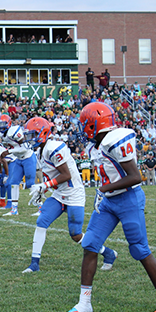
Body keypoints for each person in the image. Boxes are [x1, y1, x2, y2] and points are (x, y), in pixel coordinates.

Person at [63, 102, 156, 312]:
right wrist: (104, 192)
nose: (82, 129)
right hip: (108, 202)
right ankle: (84, 304)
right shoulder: (94, 145)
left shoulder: (115, 140)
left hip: (128, 199)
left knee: (139, 249)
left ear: (95, 124)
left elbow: (135, 177)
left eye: (85, 124)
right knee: (91, 245)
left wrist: (103, 188)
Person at [22, 117, 117, 274]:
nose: (30, 139)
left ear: (43, 133)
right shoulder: (40, 151)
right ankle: (34, 264)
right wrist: (43, 190)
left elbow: (65, 175)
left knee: (76, 234)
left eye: (33, 135)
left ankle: (108, 253)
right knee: (41, 221)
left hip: (74, 194)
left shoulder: (53, 147)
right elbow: (52, 176)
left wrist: (44, 185)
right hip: (59, 193)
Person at [0, 125, 37, 216]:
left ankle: (41, 207)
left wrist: (9, 152)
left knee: (30, 184)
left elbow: (24, 149)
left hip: (28, 158)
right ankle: (14, 209)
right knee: (14, 182)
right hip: (19, 159)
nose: (22, 139)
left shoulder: (20, 134)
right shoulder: (7, 135)